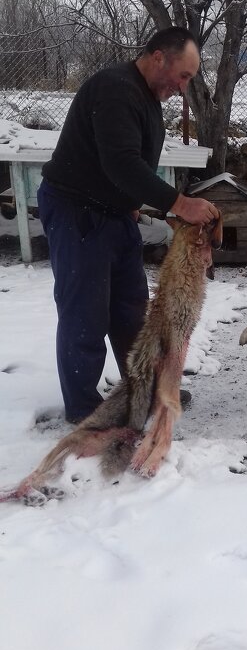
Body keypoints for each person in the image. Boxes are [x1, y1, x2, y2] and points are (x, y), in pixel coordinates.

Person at [37, 26, 219, 424]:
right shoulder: (116, 88)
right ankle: (85, 412)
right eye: (183, 75)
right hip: (77, 210)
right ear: (158, 57)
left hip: (114, 213)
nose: (184, 87)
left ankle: (144, 389)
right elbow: (120, 162)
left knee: (132, 310)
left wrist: (132, 203)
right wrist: (179, 202)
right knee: (85, 314)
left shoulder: (147, 96)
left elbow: (130, 162)